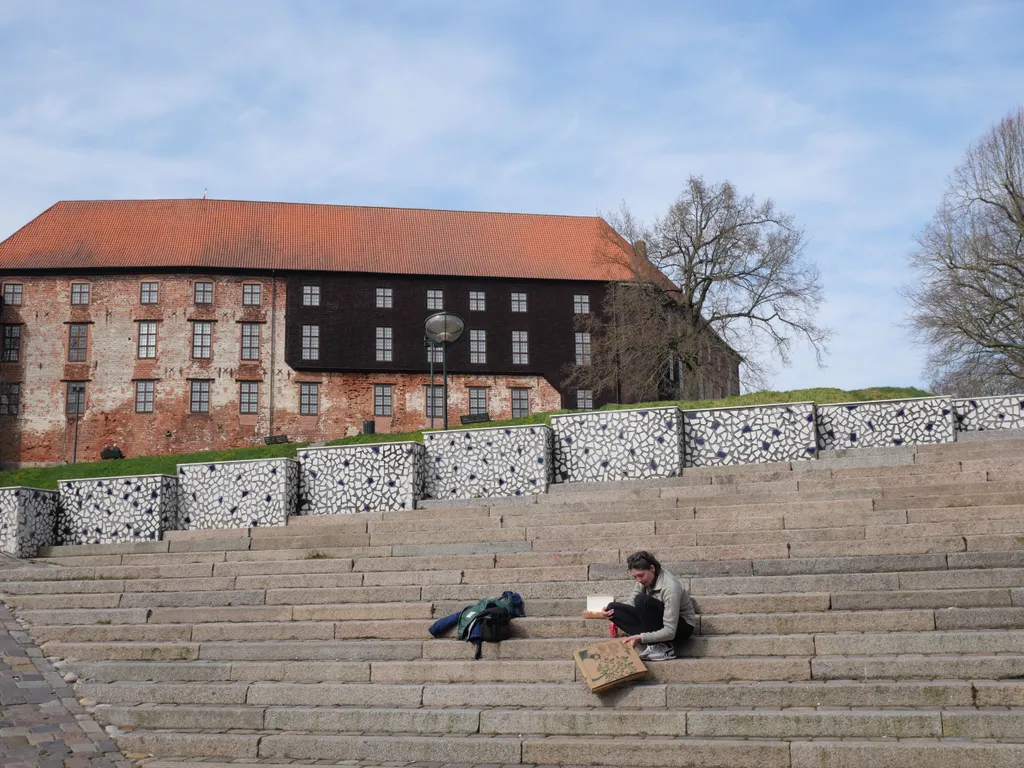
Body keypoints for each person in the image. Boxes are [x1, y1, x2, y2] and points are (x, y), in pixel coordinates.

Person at [601, 550, 697, 661]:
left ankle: (665, 648)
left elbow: (670, 631)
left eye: (641, 575)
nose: (638, 580)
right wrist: (606, 612)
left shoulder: (671, 587)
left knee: (642, 600)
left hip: (680, 629)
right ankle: (653, 643)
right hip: (656, 622)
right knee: (613, 608)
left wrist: (641, 637)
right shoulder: (643, 580)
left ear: (652, 568)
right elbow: (631, 604)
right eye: (635, 577)